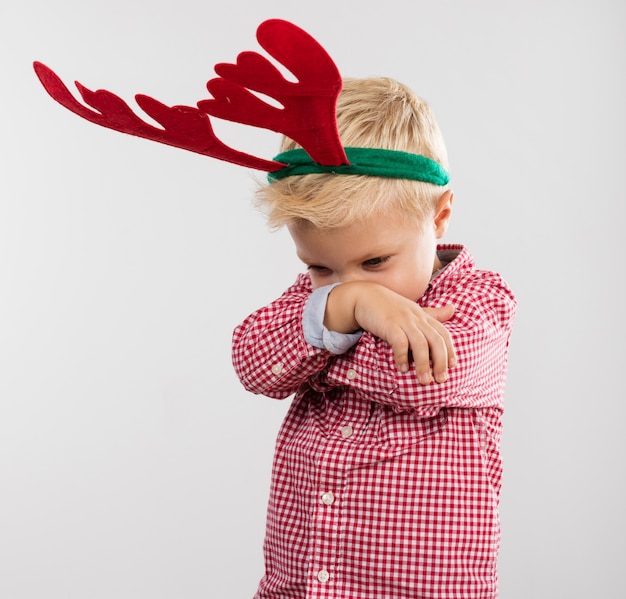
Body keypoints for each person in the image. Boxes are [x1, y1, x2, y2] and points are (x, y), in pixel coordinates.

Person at [232, 77, 516, 598]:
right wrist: (350, 305)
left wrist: (322, 340)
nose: (348, 284)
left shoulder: (482, 302)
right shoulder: (322, 295)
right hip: (298, 586)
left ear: (439, 215)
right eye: (320, 267)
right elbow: (252, 361)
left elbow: (421, 381)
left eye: (375, 263)